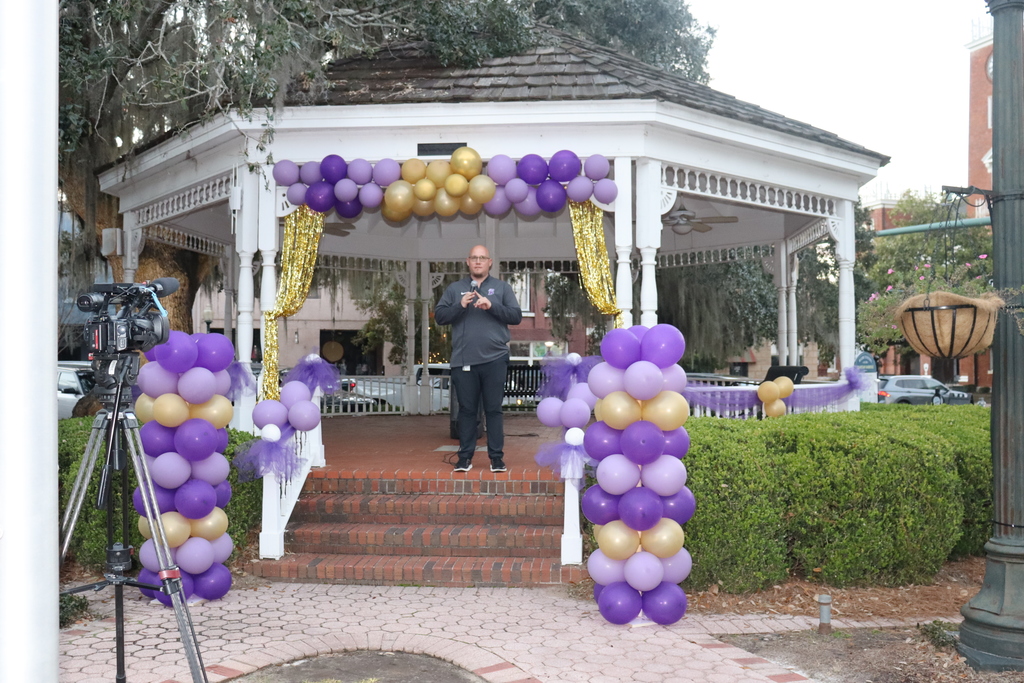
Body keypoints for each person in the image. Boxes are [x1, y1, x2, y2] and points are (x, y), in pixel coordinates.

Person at [434, 245, 523, 473]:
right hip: (464, 360)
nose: (478, 261)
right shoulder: (455, 289)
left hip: (495, 359)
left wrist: (492, 306)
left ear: (489, 262)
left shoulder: (501, 288)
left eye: (482, 258)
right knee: (467, 411)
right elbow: (441, 316)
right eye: (474, 258)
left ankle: (497, 458)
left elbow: (515, 316)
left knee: (493, 410)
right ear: (468, 261)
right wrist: (460, 305)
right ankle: (464, 458)